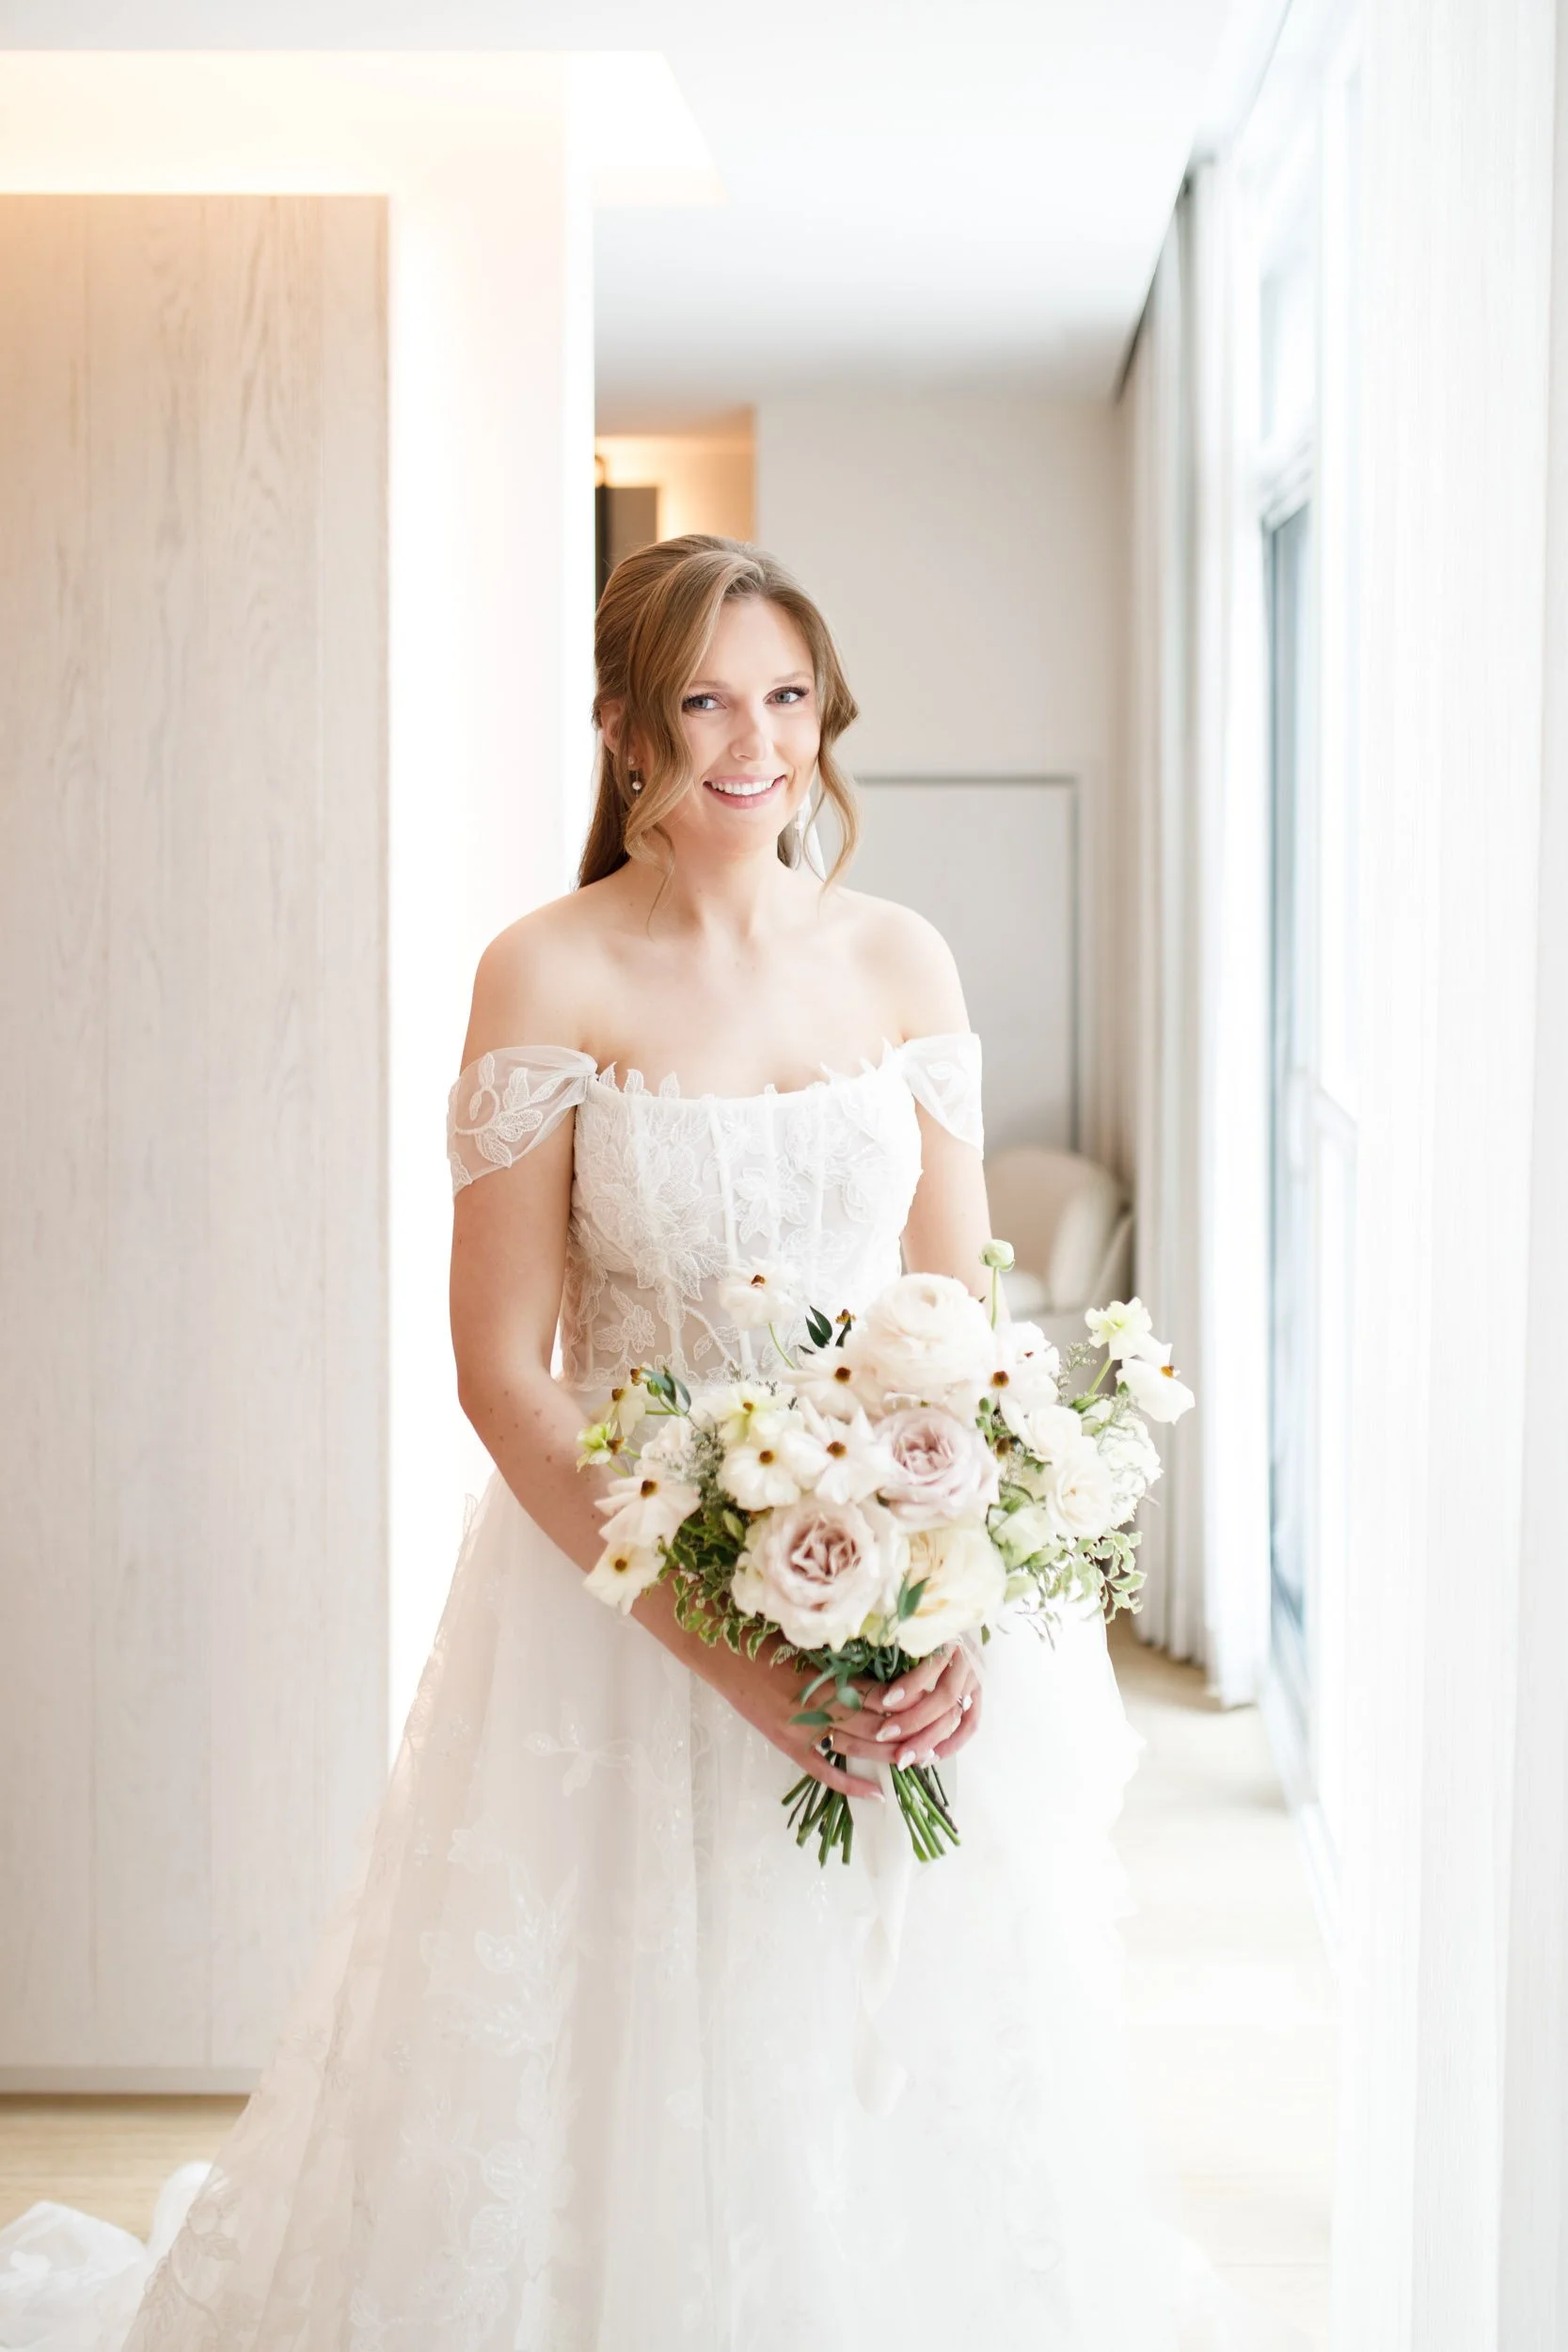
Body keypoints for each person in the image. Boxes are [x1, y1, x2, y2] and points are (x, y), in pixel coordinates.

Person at [0, 536, 1287, 2351]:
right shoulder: (543, 971)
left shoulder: (901, 958)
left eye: (785, 697)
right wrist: (729, 1655)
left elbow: (959, 1322)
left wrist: (946, 1601)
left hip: (882, 1593)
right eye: (703, 701)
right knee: (610, 2089)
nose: (755, 745)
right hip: (611, 1613)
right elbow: (499, 1370)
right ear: (623, 728)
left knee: (880, 2067)